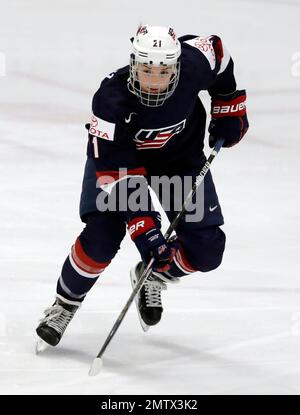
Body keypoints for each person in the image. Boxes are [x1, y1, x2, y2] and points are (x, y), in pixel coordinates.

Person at [36, 24, 249, 345]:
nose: (153, 79)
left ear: (177, 66)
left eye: (163, 70)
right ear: (133, 63)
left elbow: (219, 53)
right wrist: (143, 225)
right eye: (146, 69)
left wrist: (228, 102)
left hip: (177, 162)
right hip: (118, 166)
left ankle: (156, 274)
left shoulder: (195, 64)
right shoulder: (110, 99)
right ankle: (64, 304)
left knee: (207, 249)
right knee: (102, 237)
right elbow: (115, 171)